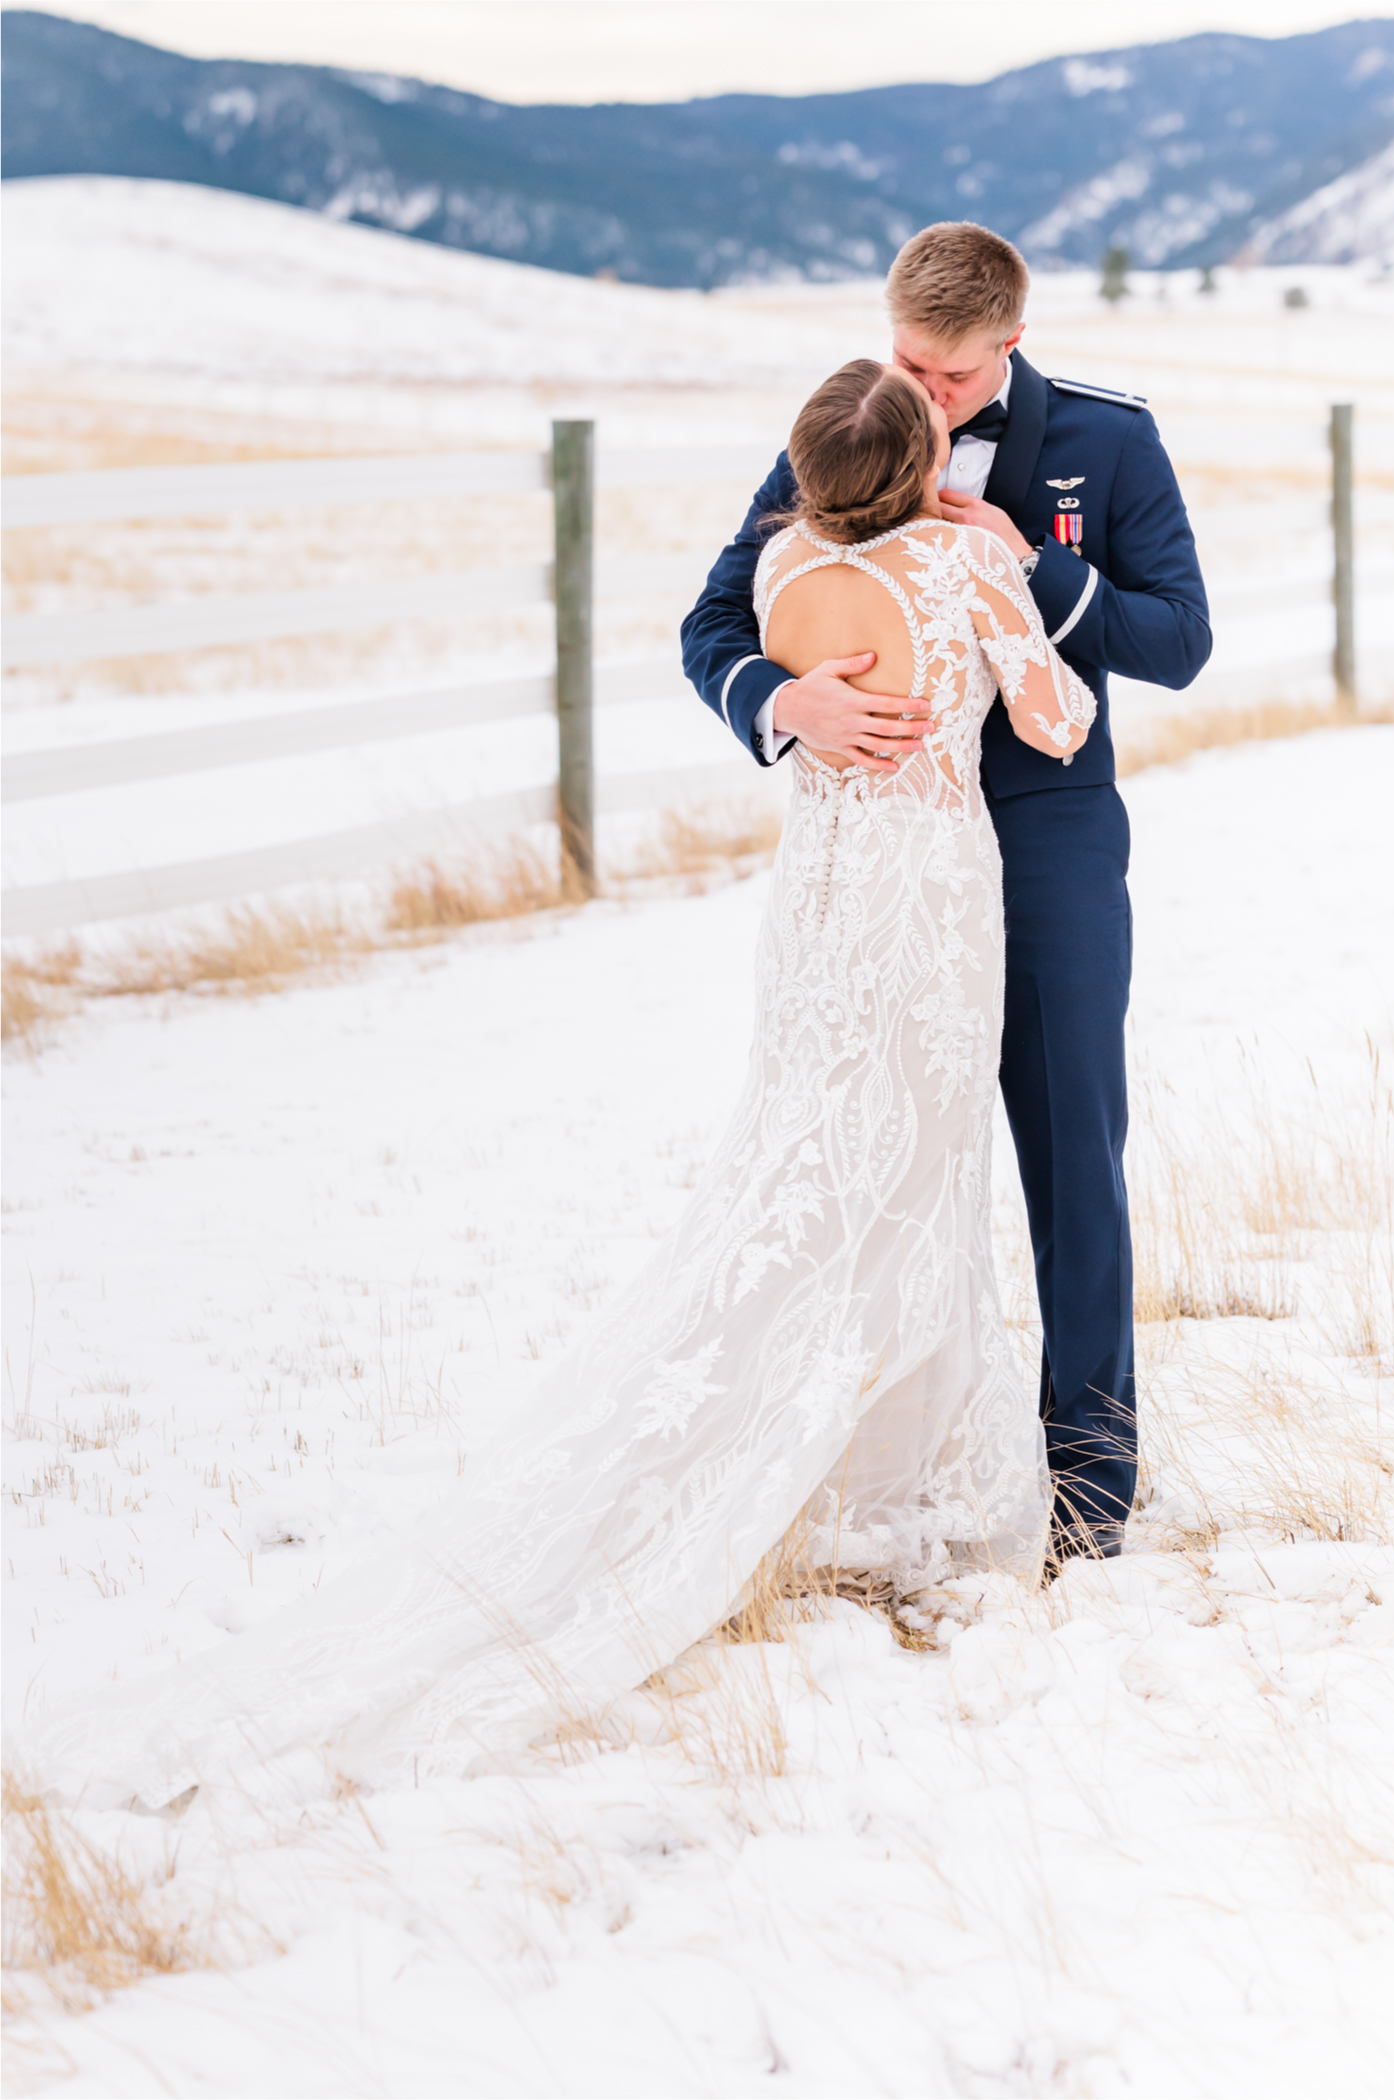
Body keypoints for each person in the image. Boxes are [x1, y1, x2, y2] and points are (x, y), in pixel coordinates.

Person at [25, 360, 1093, 1812]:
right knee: (913, 1175)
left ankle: (844, 1469)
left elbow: (755, 608)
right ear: (923, 465)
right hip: (930, 899)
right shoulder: (968, 565)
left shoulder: (784, 559)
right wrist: (1006, 584)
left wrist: (807, 677)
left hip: (823, 908)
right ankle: (884, 1497)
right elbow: (1055, 726)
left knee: (804, 1166)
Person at [683, 222, 1212, 1568]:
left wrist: (1034, 564)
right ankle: (848, 1469)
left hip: (1042, 844)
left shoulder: (1111, 444)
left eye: (953, 379)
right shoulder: (861, 416)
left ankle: (1089, 1491)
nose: (923, 397)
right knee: (859, 1167)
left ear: (1012, 347)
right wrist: (781, 700)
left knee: (1067, 1153)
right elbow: (715, 622)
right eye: (906, 362)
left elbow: (1179, 641)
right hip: (878, 868)